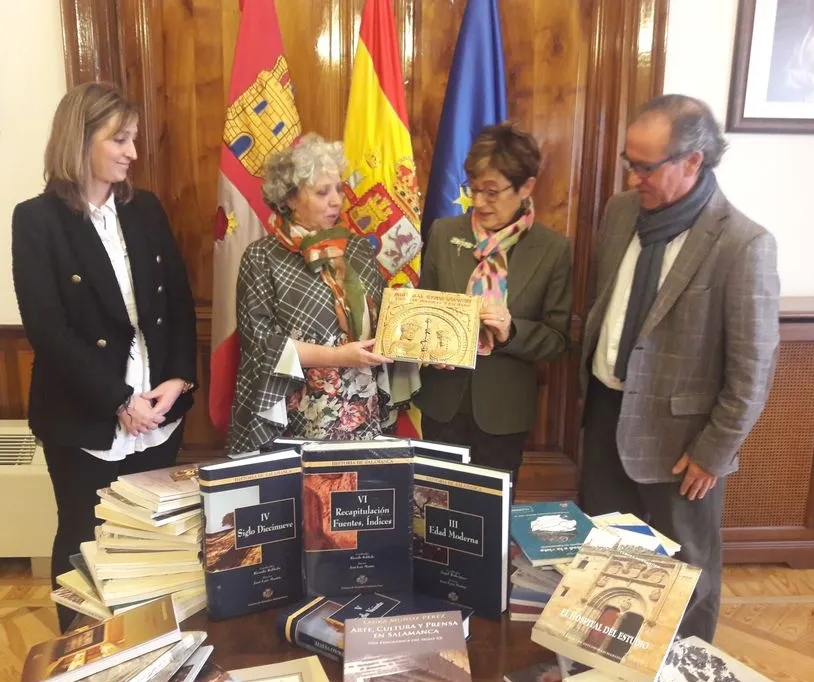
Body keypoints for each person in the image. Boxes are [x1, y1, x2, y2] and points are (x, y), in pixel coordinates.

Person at [579, 94, 781, 643]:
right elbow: (612, 305)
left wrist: (715, 450)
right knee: (604, 555)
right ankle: (608, 664)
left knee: (683, 575)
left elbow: (753, 369)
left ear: (693, 161)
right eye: (629, 161)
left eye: (645, 166)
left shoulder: (743, 244)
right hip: (604, 411)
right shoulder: (621, 212)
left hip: (680, 446)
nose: (631, 177)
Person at [11, 83, 197, 632]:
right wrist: (120, 401)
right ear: (79, 139)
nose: (132, 152)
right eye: (119, 139)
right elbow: (48, 330)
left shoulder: (146, 211)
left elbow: (180, 303)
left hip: (158, 414)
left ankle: (150, 653)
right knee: (82, 537)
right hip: (85, 415)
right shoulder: (36, 220)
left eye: (133, 139)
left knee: (152, 540)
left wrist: (179, 379)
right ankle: (82, 658)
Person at [227, 134, 412, 454]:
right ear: (290, 199)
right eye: (322, 192)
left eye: (338, 189)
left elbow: (388, 323)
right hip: (298, 415)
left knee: (359, 500)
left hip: (361, 411)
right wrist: (338, 357)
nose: (337, 200)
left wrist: (437, 337)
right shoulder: (262, 257)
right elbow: (260, 344)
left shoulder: (357, 251)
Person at [414, 122, 572, 487]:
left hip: (504, 411)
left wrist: (511, 330)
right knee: (435, 508)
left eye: (492, 191)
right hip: (443, 401)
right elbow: (426, 309)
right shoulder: (443, 233)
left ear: (526, 187)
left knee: (489, 519)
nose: (479, 202)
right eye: (474, 189)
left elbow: (558, 339)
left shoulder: (552, 250)